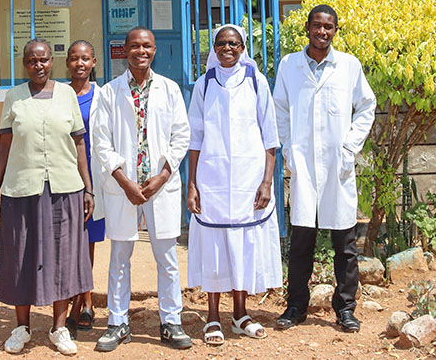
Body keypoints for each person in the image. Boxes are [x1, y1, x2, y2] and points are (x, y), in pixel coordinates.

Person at [273, 5, 376, 333]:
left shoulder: (348, 66)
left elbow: (367, 106)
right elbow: (279, 110)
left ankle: (345, 309)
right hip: (303, 164)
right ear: (307, 27)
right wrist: (288, 149)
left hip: (337, 165)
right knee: (301, 241)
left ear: (335, 30)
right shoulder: (289, 65)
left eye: (328, 27)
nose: (322, 32)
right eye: (317, 26)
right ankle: (296, 306)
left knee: (345, 244)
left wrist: (349, 147)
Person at [0, 38, 94, 356]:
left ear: (52, 61)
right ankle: (22, 327)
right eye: (32, 61)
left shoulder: (66, 95)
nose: (39, 66)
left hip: (64, 189)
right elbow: (4, 146)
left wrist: (88, 188)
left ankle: (59, 329)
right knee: (21, 255)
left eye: (44, 60)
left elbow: (78, 145)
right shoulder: (14, 97)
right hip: (21, 189)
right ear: (24, 64)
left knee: (63, 257)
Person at [91, 26, 192, 352]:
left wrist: (162, 176)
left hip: (160, 185)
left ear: (154, 50)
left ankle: (170, 321)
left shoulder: (170, 89)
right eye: (134, 46)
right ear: (125, 50)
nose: (140, 51)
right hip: (125, 186)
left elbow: (181, 135)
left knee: (166, 256)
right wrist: (124, 180)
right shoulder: (110, 92)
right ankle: (118, 322)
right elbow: (101, 141)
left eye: (146, 46)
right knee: (120, 256)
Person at [186, 24, 282, 345]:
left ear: (242, 48)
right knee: (215, 243)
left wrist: (267, 181)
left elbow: (270, 134)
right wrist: (192, 184)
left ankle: (240, 314)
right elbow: (195, 138)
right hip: (211, 179)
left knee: (242, 242)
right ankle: (213, 316)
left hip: (249, 179)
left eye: (234, 43)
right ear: (214, 48)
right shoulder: (204, 84)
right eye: (221, 44)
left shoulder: (257, 81)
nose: (227, 48)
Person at [64, 40, 105, 335]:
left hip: (94, 177)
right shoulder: (58, 95)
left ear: (93, 63)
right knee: (68, 243)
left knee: (87, 243)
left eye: (85, 58)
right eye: (74, 58)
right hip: (65, 176)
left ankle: (83, 304)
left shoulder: (102, 97)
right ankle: (81, 303)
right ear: (67, 62)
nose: (80, 63)